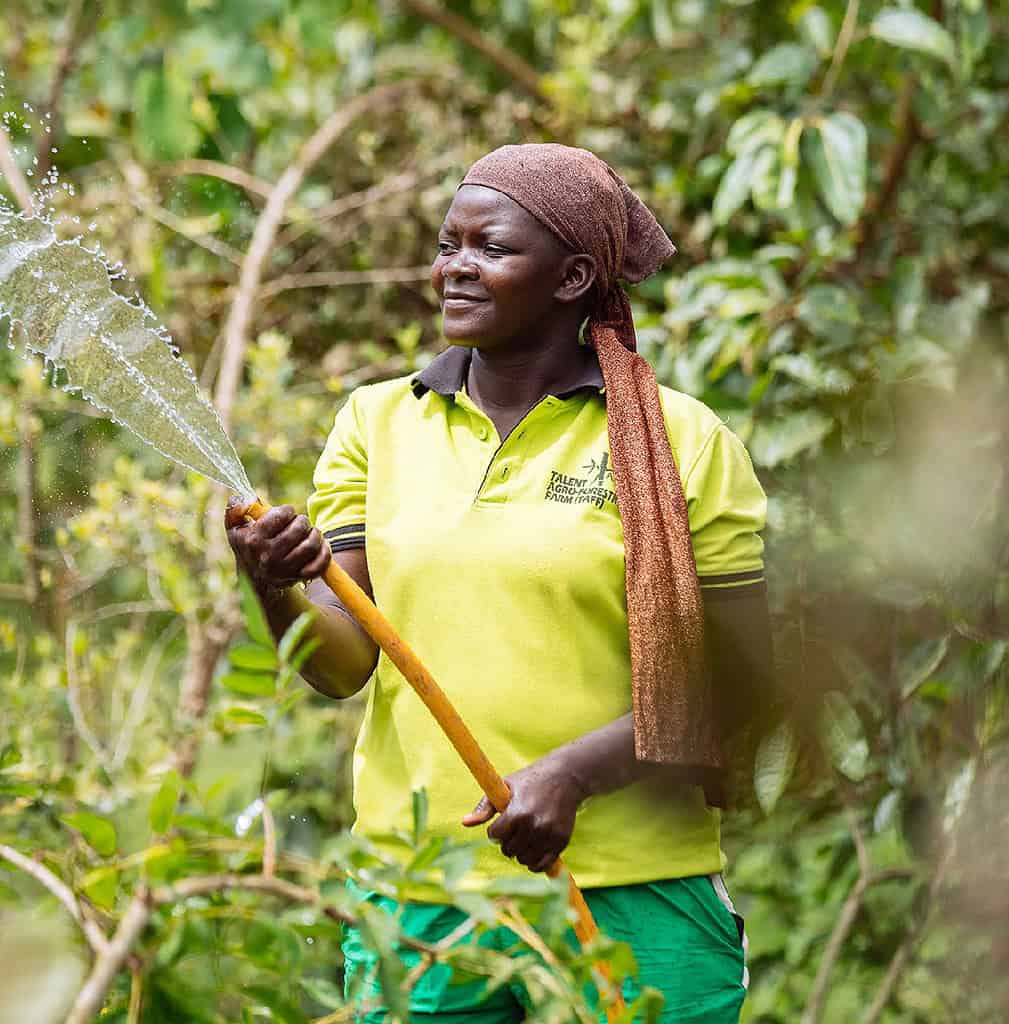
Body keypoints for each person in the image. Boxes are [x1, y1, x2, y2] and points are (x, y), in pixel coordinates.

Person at [226, 143, 774, 1024]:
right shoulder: (376, 421)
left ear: (572, 277)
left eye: (491, 249)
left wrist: (573, 777)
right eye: (448, 245)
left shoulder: (685, 442)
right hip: (423, 895)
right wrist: (274, 585)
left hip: (638, 892)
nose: (455, 269)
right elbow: (341, 667)